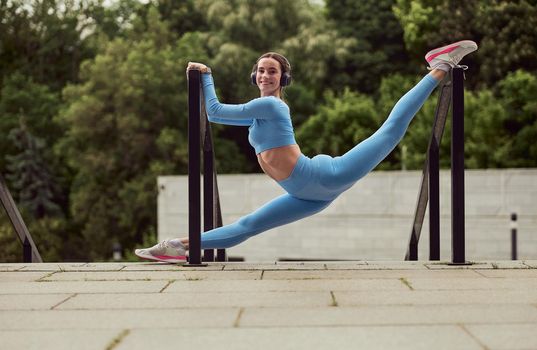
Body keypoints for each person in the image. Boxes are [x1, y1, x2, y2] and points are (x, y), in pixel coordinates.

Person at [135, 40, 478, 263]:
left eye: (274, 71)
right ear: (255, 76)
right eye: (262, 70)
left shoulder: (271, 109)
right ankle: (177, 246)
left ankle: (439, 66)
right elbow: (217, 117)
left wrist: (205, 75)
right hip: (310, 197)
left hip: (327, 175)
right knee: (248, 226)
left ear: (282, 79)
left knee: (390, 133)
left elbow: (214, 112)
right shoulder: (259, 112)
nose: (266, 74)